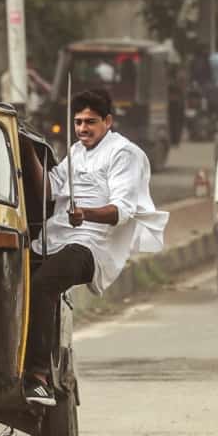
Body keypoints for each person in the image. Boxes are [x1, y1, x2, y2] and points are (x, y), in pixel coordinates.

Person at [25, 88, 168, 405]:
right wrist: (28, 153)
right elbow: (50, 188)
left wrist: (86, 214)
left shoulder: (124, 154)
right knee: (6, 271)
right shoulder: (76, 152)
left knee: (43, 284)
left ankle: (37, 378)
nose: (82, 129)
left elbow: (121, 210)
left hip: (93, 245)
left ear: (108, 121)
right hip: (58, 236)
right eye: (78, 122)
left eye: (90, 122)